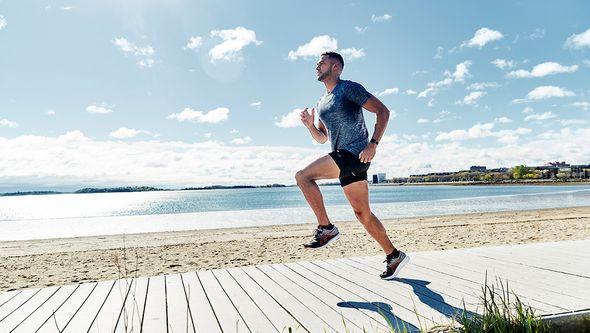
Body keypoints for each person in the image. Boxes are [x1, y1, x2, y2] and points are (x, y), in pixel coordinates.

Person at [295, 51, 408, 280]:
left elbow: (383, 111)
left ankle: (326, 228)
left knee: (303, 177)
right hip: (345, 158)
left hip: (353, 154)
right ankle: (393, 254)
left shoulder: (348, 88)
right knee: (362, 214)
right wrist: (309, 126)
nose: (317, 66)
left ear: (336, 67)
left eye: (322, 63)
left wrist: (373, 144)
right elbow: (322, 138)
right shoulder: (322, 101)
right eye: (317, 63)